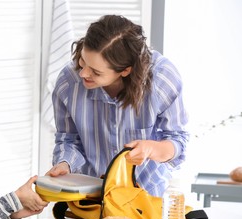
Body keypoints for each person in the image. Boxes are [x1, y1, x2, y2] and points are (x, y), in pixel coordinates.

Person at [46, 15, 189, 197]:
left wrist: (151, 149)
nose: (83, 73)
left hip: (146, 196)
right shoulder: (68, 82)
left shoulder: (162, 80)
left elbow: (177, 141)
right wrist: (64, 164)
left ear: (125, 70)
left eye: (95, 72)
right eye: (82, 61)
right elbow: (68, 139)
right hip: (89, 196)